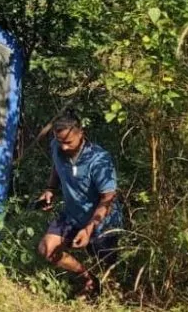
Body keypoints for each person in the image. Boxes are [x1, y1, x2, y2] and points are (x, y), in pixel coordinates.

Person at [36, 114, 123, 297]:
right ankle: (87, 277)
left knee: (108, 275)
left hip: (102, 222)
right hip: (72, 215)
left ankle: (104, 293)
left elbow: (108, 197)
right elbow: (56, 166)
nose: (63, 146)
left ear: (81, 133)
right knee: (47, 249)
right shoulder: (57, 147)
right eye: (59, 141)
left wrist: (89, 228)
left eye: (68, 142)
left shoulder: (98, 160)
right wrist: (50, 189)